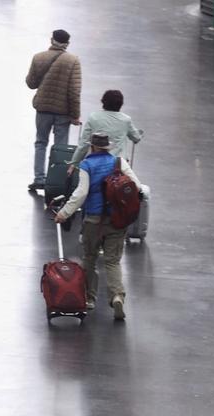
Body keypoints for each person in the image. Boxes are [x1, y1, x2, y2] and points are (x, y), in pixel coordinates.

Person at [55, 133, 141, 319]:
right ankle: (117, 296)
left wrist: (64, 213)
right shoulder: (118, 162)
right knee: (112, 261)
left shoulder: (86, 165)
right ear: (107, 147)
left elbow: (81, 193)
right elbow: (137, 186)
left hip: (93, 220)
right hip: (117, 220)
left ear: (92, 147)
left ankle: (89, 298)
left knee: (90, 258)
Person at [25, 29, 81, 193]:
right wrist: (75, 114)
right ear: (67, 44)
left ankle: (39, 178)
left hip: (43, 109)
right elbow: (74, 91)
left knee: (41, 142)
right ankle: (56, 180)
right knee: (60, 147)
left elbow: (31, 83)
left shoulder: (39, 57)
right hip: (63, 111)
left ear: (52, 40)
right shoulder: (73, 61)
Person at [70, 89, 143, 167]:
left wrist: (74, 163)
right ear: (121, 104)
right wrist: (139, 134)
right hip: (118, 165)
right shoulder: (126, 120)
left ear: (103, 102)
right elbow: (136, 138)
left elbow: (83, 144)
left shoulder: (93, 117)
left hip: (95, 162)